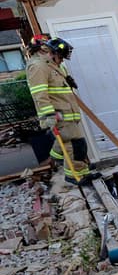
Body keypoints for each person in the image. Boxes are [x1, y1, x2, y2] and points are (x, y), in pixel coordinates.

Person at [27, 35, 92, 183]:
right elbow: (39, 93)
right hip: (59, 115)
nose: (62, 60)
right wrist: (49, 114)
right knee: (75, 145)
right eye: (61, 57)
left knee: (71, 144)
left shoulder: (54, 65)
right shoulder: (38, 66)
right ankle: (74, 176)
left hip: (68, 113)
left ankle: (73, 169)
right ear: (51, 52)